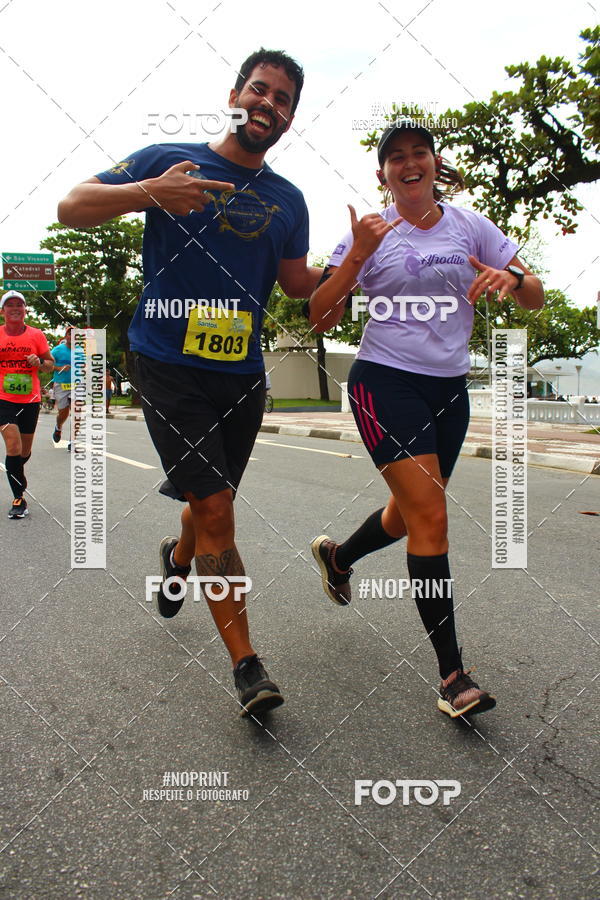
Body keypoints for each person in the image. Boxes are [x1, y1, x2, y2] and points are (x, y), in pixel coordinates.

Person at [58, 48, 321, 717]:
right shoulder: (166, 159)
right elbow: (72, 206)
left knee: (211, 504)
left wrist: (366, 263)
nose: (268, 104)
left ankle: (177, 561)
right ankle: (247, 666)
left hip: (241, 376)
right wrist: (153, 194)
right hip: (167, 365)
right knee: (217, 511)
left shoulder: (289, 200)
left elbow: (300, 287)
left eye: (283, 99)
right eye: (260, 90)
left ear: (291, 116)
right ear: (235, 94)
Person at [308, 120, 544, 719]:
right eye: (396, 158)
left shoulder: (469, 224)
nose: (410, 164)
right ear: (383, 174)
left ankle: (339, 558)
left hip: (449, 390)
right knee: (431, 516)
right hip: (383, 382)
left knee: (407, 512)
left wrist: (510, 277)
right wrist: (358, 251)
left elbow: (535, 292)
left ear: (435, 164)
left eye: (420, 154)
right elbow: (321, 316)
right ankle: (452, 676)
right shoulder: (370, 232)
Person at [0, 290, 54, 518]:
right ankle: (18, 498)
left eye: (19, 305)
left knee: (24, 451)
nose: (15, 308)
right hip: (3, 398)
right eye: (10, 305)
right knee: (12, 445)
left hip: (30, 399)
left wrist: (39, 361)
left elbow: (50, 364)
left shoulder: (36, 335)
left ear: (24, 310)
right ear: (3, 311)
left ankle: (17, 471)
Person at [50, 326, 77, 450]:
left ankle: (73, 441)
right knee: (64, 412)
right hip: (61, 384)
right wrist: (59, 368)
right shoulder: (57, 350)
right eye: (69, 334)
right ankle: (58, 427)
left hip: (77, 384)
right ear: (66, 336)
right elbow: (47, 365)